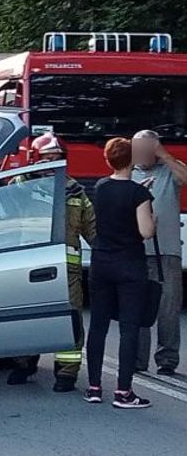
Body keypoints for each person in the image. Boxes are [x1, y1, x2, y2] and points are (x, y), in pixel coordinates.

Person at [6, 133, 96, 391]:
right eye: (48, 160)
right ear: (35, 160)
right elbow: (2, 219)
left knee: (70, 321)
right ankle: (24, 362)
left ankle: (67, 373)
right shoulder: (18, 186)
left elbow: (93, 230)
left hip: (67, 270)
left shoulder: (75, 191)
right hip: (28, 267)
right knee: (27, 318)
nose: (53, 165)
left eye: (58, 160)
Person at [84, 137, 155, 409]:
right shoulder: (139, 194)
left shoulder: (100, 187)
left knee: (99, 326)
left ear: (108, 159)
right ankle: (124, 392)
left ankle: (93, 387)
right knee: (129, 328)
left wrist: (141, 192)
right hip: (129, 265)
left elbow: (115, 203)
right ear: (133, 159)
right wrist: (151, 210)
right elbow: (145, 231)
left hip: (101, 263)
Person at [131, 129, 187, 376]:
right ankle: (137, 360)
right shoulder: (128, 173)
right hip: (136, 252)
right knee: (140, 307)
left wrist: (163, 154)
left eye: (145, 149)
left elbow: (184, 178)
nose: (140, 154)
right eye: (136, 149)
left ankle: (167, 360)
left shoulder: (169, 169)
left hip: (167, 250)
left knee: (168, 308)